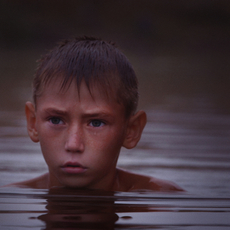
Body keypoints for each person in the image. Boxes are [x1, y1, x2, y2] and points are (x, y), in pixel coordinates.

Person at [7, 36, 183, 192]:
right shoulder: (9, 203)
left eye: (96, 123)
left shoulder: (160, 203)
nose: (73, 144)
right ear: (33, 123)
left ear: (131, 130)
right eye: (56, 120)